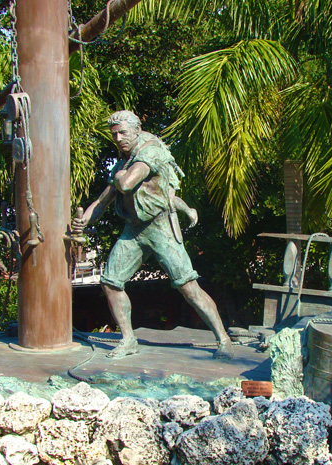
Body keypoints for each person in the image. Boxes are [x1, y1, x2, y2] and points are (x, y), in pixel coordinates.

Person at [72, 110, 233, 360]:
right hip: (134, 230)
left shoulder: (150, 152)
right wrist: (83, 220)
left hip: (160, 227)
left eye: (123, 132)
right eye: (114, 134)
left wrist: (117, 177)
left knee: (188, 286)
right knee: (110, 282)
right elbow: (103, 202)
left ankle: (223, 339)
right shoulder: (122, 162)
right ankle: (128, 339)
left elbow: (125, 184)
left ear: (137, 130)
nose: (118, 138)